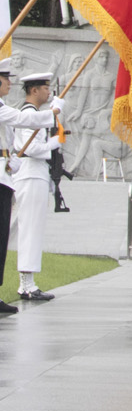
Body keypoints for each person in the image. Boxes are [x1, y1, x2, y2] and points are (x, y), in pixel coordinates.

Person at [9, 72, 62, 303]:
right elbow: (31, 149)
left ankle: (27, 282)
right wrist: (56, 141)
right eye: (45, 88)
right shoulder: (27, 115)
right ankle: (26, 285)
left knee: (32, 229)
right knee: (29, 229)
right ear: (34, 90)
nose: (48, 92)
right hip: (29, 174)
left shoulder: (35, 116)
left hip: (36, 174)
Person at [0, 61, 19, 316]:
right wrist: (52, 113)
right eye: (6, 79)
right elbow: (23, 117)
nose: (10, 83)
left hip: (3, 176)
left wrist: (9, 159)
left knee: (2, 235)